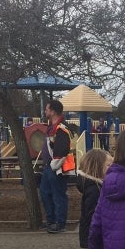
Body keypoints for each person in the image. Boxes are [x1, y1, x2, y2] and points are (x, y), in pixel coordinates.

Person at [77, 148, 113, 249]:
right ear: (98, 167)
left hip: (91, 232)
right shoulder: (94, 189)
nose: (111, 168)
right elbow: (93, 215)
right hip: (95, 233)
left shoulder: (94, 186)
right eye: (108, 165)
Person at [39, 99, 75, 233]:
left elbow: (61, 150)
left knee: (58, 195)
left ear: (53, 111)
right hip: (50, 167)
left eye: (47, 109)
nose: (45, 111)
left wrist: (53, 166)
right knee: (45, 193)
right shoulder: (53, 128)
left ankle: (60, 223)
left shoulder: (61, 129)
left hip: (57, 168)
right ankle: (51, 220)